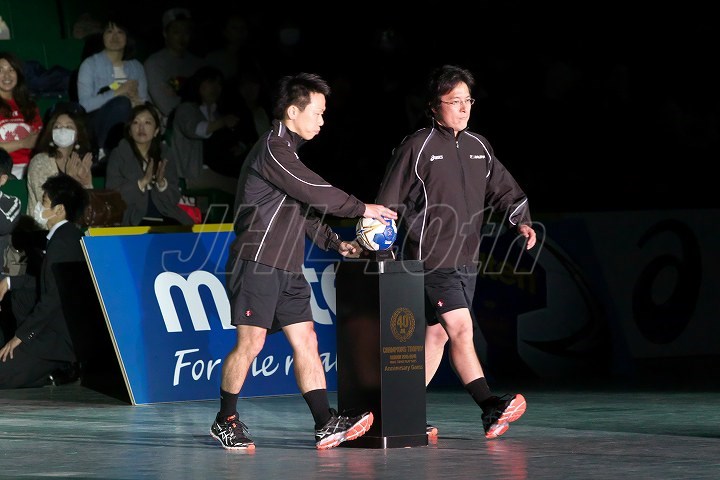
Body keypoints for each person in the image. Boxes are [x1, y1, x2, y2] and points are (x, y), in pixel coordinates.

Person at [211, 72, 398, 450]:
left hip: (288, 267)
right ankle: (225, 419)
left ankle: (324, 422)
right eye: (318, 112)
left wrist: (336, 243)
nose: (322, 121)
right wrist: (362, 208)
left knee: (307, 340)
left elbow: (303, 211)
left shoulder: (289, 152)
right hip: (258, 262)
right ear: (293, 111)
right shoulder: (273, 149)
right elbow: (314, 191)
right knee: (251, 344)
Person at [373, 65, 537, 440]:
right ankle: (489, 405)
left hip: (467, 260)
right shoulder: (417, 146)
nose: (464, 108)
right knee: (462, 328)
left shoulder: (480, 146)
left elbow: (506, 190)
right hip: (431, 259)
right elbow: (386, 202)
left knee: (437, 337)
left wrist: (521, 222)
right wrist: (383, 253)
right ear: (434, 106)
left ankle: (396, 413)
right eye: (454, 101)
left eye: (468, 100)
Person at [0, 173, 89, 388]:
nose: (39, 206)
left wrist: (21, 337)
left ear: (59, 210)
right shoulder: (68, 236)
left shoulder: (61, 245)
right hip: (53, 330)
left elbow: (52, 299)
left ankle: (60, 367)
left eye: (45, 202)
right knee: (20, 293)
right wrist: (9, 283)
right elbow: (46, 282)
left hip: (56, 338)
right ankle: (55, 372)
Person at [105, 103, 193, 226]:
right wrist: (141, 183)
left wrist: (162, 184)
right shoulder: (119, 155)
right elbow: (112, 198)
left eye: (147, 122)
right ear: (130, 131)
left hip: (166, 217)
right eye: (136, 122)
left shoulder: (165, 154)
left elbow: (174, 198)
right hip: (133, 220)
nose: (141, 128)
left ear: (156, 131)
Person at [76, 16, 148, 165]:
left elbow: (144, 99)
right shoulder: (90, 64)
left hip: (131, 119)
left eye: (120, 32)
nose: (114, 36)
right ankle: (104, 151)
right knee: (121, 104)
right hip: (97, 122)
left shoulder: (136, 67)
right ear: (102, 36)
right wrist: (118, 92)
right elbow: (84, 105)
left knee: (149, 114)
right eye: (109, 31)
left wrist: (137, 100)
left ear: (127, 37)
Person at [168, 65, 241, 193]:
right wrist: (222, 122)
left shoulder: (216, 113)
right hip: (193, 173)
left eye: (219, 84)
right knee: (241, 188)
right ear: (198, 84)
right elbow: (195, 130)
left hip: (219, 170)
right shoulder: (186, 109)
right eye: (211, 82)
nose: (216, 88)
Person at [26, 103, 94, 218]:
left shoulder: (78, 162)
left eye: (69, 127)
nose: (62, 130)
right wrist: (70, 180)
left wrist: (86, 183)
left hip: (75, 226)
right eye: (57, 127)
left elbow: (88, 208)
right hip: (44, 226)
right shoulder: (39, 162)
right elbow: (50, 207)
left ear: (77, 135)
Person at [144, 7, 206, 129]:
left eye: (186, 32)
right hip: (169, 126)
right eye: (176, 32)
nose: (182, 37)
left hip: (201, 123)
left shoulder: (199, 64)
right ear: (165, 33)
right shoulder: (154, 63)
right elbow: (166, 105)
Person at [0, 52, 43, 179]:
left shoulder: (29, 106)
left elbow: (39, 139)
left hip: (32, 166)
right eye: (1, 70)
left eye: (11, 70)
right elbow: (28, 142)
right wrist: (22, 143)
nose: (6, 75)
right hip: (5, 168)